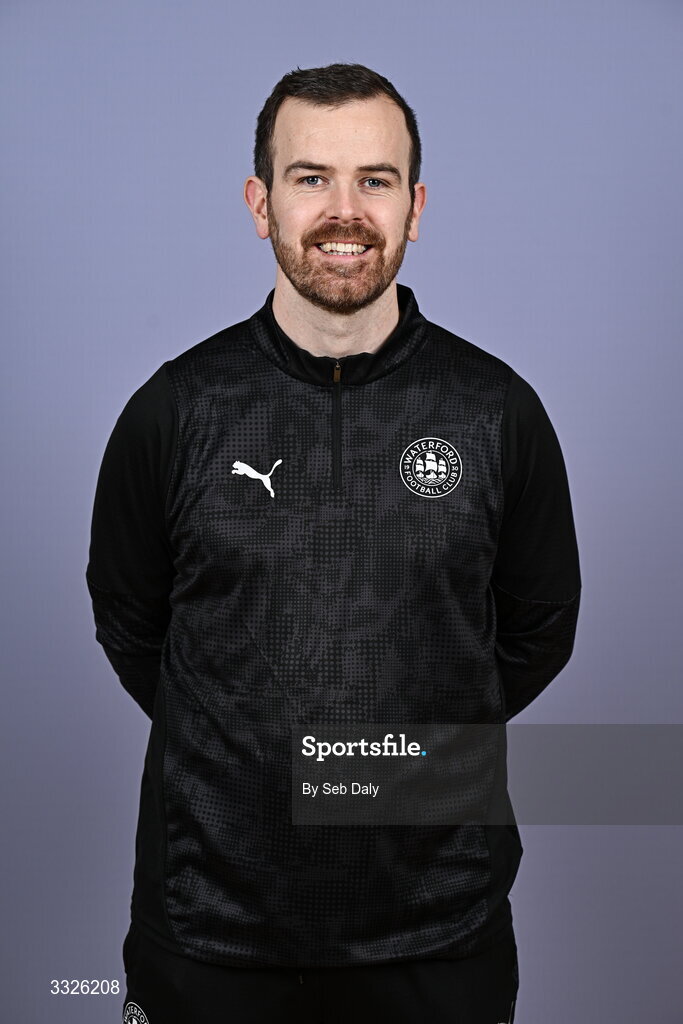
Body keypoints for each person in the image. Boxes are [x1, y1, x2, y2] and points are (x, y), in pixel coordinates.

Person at [86, 62, 581, 1024]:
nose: (343, 210)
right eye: (310, 177)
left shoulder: (497, 415)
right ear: (258, 201)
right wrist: (257, 749)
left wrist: (389, 754)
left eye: (375, 180)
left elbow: (534, 638)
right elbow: (134, 630)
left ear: (416, 205)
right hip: (208, 936)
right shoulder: (174, 413)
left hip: (439, 937)